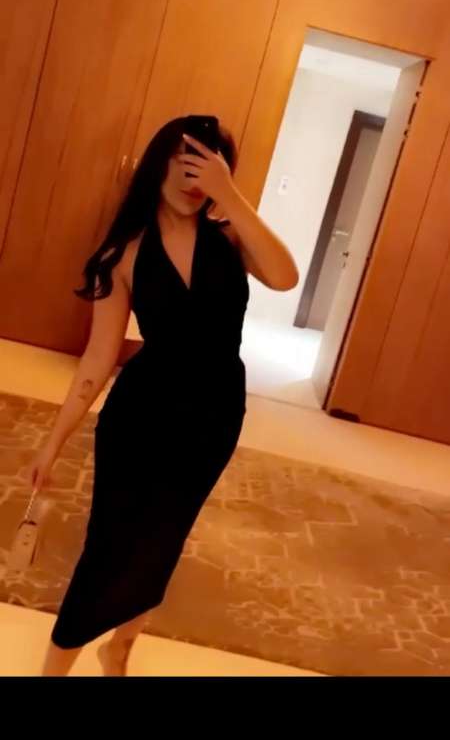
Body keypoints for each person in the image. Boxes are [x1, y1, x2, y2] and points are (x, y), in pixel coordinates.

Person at [28, 115, 299, 676]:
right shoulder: (124, 253)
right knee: (108, 549)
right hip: (142, 416)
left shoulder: (231, 238)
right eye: (182, 158)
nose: (191, 177)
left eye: (206, 165)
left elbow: (285, 276)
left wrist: (233, 198)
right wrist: (52, 443)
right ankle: (54, 669)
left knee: (164, 540)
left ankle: (119, 646)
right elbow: (98, 358)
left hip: (215, 416)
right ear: (158, 163)